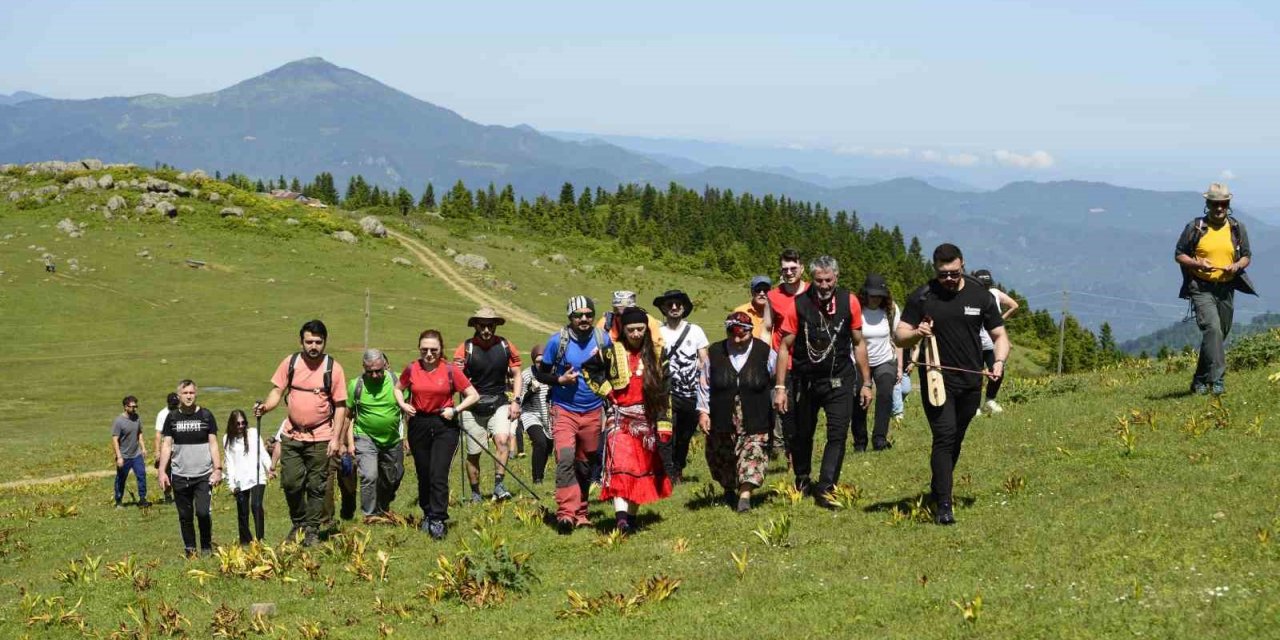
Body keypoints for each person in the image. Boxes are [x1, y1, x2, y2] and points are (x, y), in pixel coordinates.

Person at [896, 243, 1010, 526]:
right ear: (935, 269)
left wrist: (998, 362)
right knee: (944, 435)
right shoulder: (922, 296)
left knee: (956, 437)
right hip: (937, 380)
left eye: (954, 273)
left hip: (971, 381)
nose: (948, 278)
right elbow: (899, 336)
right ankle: (944, 505)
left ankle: (938, 486)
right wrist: (916, 333)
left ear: (963, 266)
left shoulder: (980, 295)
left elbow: (999, 336)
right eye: (943, 273)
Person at [773, 256, 872, 509]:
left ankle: (826, 487)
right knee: (802, 433)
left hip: (840, 378)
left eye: (829, 280)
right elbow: (784, 347)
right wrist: (781, 387)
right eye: (819, 281)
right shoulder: (798, 305)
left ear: (836, 278)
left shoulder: (850, 301)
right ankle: (803, 477)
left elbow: (859, 343)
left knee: (837, 434)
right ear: (812, 280)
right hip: (805, 381)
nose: (824, 285)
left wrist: (866, 383)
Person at [253, 319, 349, 547]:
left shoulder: (333, 369)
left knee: (317, 486)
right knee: (291, 483)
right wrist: (266, 407)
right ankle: (299, 522)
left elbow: (342, 405)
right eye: (309, 342)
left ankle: (312, 531)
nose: (313, 346)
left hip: (321, 436)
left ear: (325, 342)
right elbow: (277, 391)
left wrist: (336, 439)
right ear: (301, 341)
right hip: (292, 435)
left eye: (318, 342)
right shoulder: (291, 363)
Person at [533, 295, 615, 531]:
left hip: (592, 410)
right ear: (570, 316)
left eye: (589, 314)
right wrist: (560, 379)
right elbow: (540, 374)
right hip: (564, 410)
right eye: (579, 315)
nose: (584, 319)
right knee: (566, 458)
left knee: (585, 463)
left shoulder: (603, 339)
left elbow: (611, 373)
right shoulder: (557, 341)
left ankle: (582, 512)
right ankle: (566, 514)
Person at [1174, 182, 1257, 395]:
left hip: (1226, 288)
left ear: (1228, 204)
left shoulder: (1237, 228)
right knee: (1212, 329)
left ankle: (1199, 380)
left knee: (1219, 335)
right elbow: (1179, 254)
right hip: (1201, 288)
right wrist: (1198, 264)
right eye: (1215, 204)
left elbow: (1247, 256)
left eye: (1223, 203)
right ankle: (1217, 380)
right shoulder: (1195, 227)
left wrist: (1237, 265)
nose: (1219, 208)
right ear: (1207, 204)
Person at [399, 329, 480, 540]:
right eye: (424, 349)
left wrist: (456, 410)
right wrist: (402, 404)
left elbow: (473, 395)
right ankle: (427, 512)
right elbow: (398, 388)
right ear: (419, 348)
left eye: (433, 350)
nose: (428, 354)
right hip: (418, 423)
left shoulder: (451, 370)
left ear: (440, 349)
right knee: (423, 472)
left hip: (445, 424)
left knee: (438, 473)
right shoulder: (411, 369)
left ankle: (438, 518)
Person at [599, 306, 673, 532]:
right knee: (620, 464)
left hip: (646, 418)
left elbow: (664, 390)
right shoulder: (611, 351)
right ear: (624, 330)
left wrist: (664, 423)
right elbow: (590, 370)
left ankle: (630, 518)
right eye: (632, 330)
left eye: (641, 329)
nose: (636, 334)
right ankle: (620, 518)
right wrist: (607, 391)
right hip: (619, 417)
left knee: (641, 469)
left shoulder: (659, 354)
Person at [705, 312, 776, 513]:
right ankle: (728, 488)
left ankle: (744, 496)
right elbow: (704, 384)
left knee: (754, 450)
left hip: (755, 412)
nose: (737, 339)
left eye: (742, 335)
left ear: (750, 331)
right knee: (723, 454)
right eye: (732, 334)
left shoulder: (764, 352)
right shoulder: (716, 351)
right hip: (722, 411)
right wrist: (703, 412)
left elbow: (775, 377)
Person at [453, 307, 523, 502]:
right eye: (482, 325)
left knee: (503, 440)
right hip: (472, 405)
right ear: (475, 325)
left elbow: (517, 373)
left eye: (490, 325)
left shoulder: (506, 345)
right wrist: (457, 372)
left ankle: (499, 486)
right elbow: (456, 377)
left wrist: (516, 401)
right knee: (474, 452)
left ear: (495, 325)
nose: (486, 329)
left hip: (499, 401)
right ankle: (476, 493)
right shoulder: (465, 348)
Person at [346, 348, 413, 518]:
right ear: (364, 368)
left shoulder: (398, 381)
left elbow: (408, 411)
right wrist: (347, 443)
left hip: (392, 438)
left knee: (394, 476)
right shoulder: (356, 385)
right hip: (365, 436)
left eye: (378, 371)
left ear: (386, 365)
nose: (375, 375)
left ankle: (382, 505)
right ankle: (370, 515)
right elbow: (348, 416)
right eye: (370, 372)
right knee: (369, 475)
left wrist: (408, 437)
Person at [157, 380, 221, 556]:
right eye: (185, 393)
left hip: (203, 475)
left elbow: (213, 444)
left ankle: (206, 547)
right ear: (179, 396)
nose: (189, 396)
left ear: (196, 393)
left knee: (202, 513)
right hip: (180, 475)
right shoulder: (172, 418)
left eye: (192, 392)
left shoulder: (206, 416)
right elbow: (166, 445)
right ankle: (190, 550)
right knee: (185, 516)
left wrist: (218, 469)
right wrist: (162, 471)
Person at [652, 289, 710, 483]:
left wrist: (705, 388)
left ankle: (678, 467)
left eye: (678, 304)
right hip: (667, 392)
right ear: (663, 308)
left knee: (685, 436)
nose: (674, 307)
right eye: (670, 305)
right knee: (667, 433)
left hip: (692, 393)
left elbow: (704, 360)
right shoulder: (657, 332)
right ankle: (668, 472)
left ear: (684, 308)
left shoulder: (696, 331)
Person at [851, 273, 903, 452]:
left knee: (886, 394)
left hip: (884, 360)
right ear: (864, 294)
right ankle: (860, 441)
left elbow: (898, 339)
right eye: (871, 295)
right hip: (859, 362)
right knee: (859, 398)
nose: (875, 299)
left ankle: (880, 439)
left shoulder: (891, 311)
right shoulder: (856, 309)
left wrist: (900, 367)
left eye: (879, 296)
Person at [768, 249, 809, 461]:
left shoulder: (813, 291)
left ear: (802, 268)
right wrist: (767, 355)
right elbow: (768, 327)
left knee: (807, 409)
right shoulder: (773, 296)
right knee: (787, 408)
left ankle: (802, 448)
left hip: (810, 360)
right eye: (785, 269)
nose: (790, 272)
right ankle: (792, 454)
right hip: (784, 359)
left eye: (794, 268)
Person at [971, 269, 1019, 415]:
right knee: (975, 374)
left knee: (998, 371)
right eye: (982, 285)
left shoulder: (995, 294)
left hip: (992, 343)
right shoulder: (971, 297)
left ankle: (990, 400)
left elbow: (1014, 305)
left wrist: (999, 320)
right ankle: (974, 406)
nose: (985, 288)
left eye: (986, 285)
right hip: (976, 343)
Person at [223, 409, 271, 544]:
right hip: (240, 479)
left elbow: (261, 452)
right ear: (232, 424)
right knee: (242, 511)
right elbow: (230, 463)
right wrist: (231, 484)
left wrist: (269, 468)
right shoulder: (227, 439)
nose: (241, 426)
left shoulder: (253, 433)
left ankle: (260, 538)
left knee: (256, 505)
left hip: (257, 475)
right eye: (237, 424)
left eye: (243, 423)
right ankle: (245, 541)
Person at [516, 343, 553, 484]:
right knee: (540, 443)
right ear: (533, 361)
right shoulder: (526, 375)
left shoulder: (553, 373)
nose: (540, 364)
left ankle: (541, 473)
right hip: (531, 414)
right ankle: (537, 478)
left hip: (549, 414)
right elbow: (520, 401)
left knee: (548, 447)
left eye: (543, 361)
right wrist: (531, 391)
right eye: (537, 362)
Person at [111, 395, 149, 508]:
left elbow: (139, 433)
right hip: (124, 456)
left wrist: (143, 448)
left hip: (136, 454)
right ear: (125, 407)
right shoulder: (119, 421)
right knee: (121, 479)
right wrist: (119, 457)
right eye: (132, 407)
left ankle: (142, 499)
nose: (134, 409)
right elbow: (115, 440)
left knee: (141, 475)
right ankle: (118, 501)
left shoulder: (137, 418)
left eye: (136, 406)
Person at [154, 392, 179, 503]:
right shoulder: (162, 414)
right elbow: (158, 434)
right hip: (167, 447)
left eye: (176, 404)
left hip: (179, 448)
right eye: (172, 404)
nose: (174, 406)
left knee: (179, 472)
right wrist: (157, 451)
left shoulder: (181, 412)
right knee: (166, 472)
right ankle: (167, 494)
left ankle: (180, 495)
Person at [732, 276, 774, 340]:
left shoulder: (777, 312)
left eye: (766, 290)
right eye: (758, 289)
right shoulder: (740, 311)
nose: (762, 293)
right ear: (752, 292)